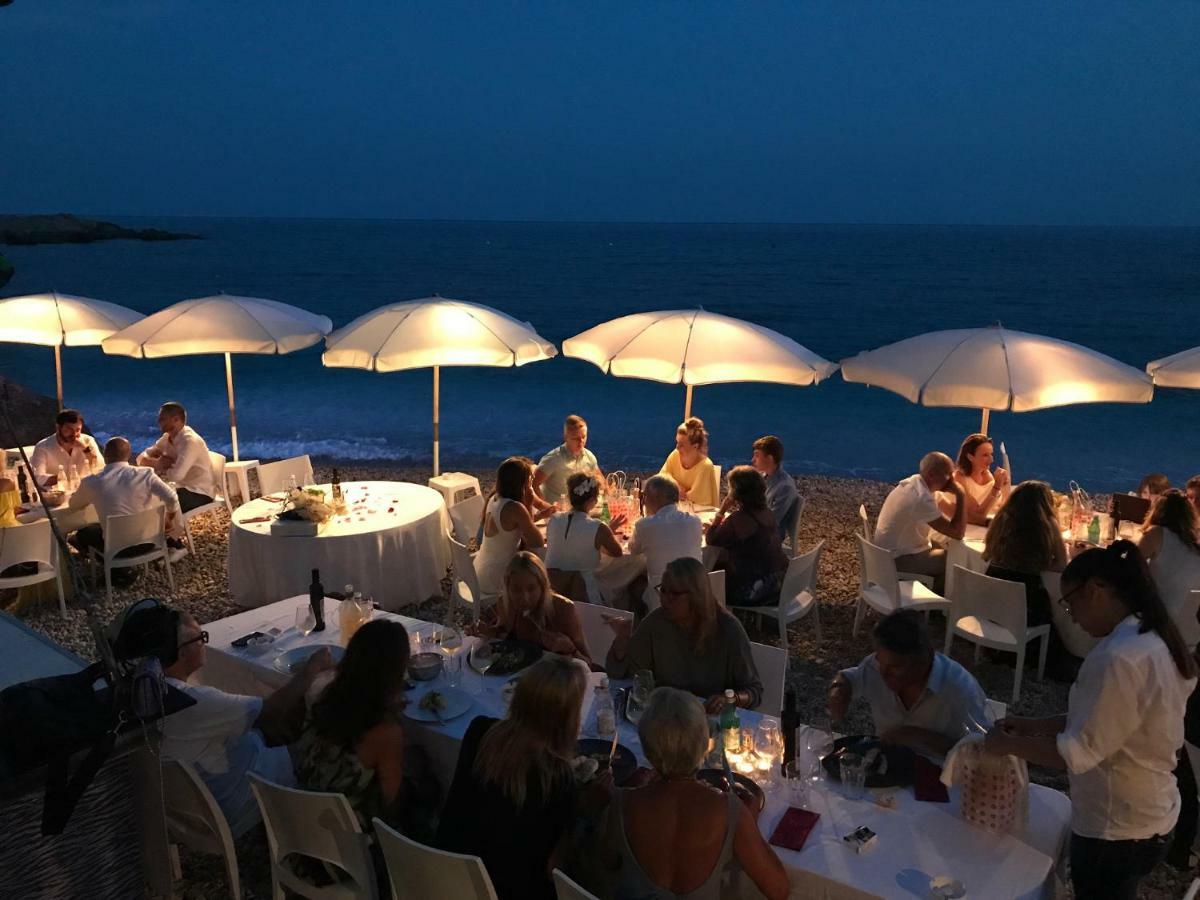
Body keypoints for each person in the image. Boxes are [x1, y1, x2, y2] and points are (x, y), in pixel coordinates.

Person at [984, 542, 1197, 900]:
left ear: (1096, 590)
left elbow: (1078, 753)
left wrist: (1007, 745)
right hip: (1153, 813)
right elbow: (1107, 719)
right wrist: (1031, 725)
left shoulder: (1119, 657)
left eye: (1069, 603)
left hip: (1117, 826)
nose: (1070, 616)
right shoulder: (1153, 636)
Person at [116, 602, 332, 836]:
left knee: (275, 722)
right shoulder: (192, 701)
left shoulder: (143, 691)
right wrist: (312, 667)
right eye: (201, 638)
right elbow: (273, 709)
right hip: (236, 806)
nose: (204, 644)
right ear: (182, 652)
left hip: (190, 806)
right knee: (310, 728)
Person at [602, 687, 790, 900]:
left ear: (647, 749)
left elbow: (609, 862)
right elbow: (779, 890)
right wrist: (749, 822)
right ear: (704, 745)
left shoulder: (622, 803)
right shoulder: (728, 811)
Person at [437, 655, 587, 900]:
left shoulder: (479, 731)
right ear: (569, 718)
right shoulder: (558, 779)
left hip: (448, 880)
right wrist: (585, 813)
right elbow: (555, 868)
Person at [295, 619, 413, 831]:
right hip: (351, 846)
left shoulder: (325, 699)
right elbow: (391, 804)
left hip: (304, 826)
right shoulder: (385, 732)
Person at [607, 557, 762, 712]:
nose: (664, 599)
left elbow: (753, 691)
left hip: (709, 719)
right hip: (666, 714)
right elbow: (625, 677)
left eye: (674, 594)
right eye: (663, 590)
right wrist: (622, 642)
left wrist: (730, 699)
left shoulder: (728, 629)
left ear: (696, 596)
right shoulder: (656, 623)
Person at [829, 609, 987, 758]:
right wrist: (839, 690)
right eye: (880, 663)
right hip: (886, 766)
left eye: (895, 667)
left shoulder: (960, 689)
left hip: (942, 775)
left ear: (925, 659)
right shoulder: (876, 667)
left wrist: (920, 736)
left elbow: (981, 753)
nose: (883, 673)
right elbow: (848, 677)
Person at [982, 481, 1070, 670]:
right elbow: (1062, 564)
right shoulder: (1047, 523)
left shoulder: (1002, 518)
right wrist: (1037, 562)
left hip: (992, 603)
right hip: (1025, 605)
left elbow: (988, 551)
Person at [68, 437, 181, 557]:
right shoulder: (145, 474)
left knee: (83, 533)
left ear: (105, 455)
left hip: (117, 551)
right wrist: (169, 519)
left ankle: (117, 569)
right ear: (128, 455)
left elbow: (73, 505)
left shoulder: (92, 482)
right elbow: (172, 498)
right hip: (150, 542)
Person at [873, 451, 966, 594]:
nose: (951, 480)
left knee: (943, 544)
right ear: (931, 474)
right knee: (956, 559)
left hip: (886, 553)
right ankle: (937, 607)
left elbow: (948, 514)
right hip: (897, 561)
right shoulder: (920, 498)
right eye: (948, 474)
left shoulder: (915, 482)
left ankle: (935, 594)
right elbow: (958, 533)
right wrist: (961, 495)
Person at [474, 551, 591, 664]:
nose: (524, 597)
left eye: (531, 589)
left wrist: (569, 648)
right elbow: (499, 632)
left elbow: (587, 663)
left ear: (542, 586)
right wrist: (486, 631)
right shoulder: (506, 604)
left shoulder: (563, 610)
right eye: (516, 590)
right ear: (507, 588)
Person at [707, 466, 788, 607]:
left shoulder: (739, 519)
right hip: (779, 584)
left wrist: (722, 511)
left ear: (736, 493)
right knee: (723, 559)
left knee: (707, 574)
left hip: (753, 592)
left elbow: (712, 539)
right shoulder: (767, 513)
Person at [544, 472, 626, 603]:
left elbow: (571, 542)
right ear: (591, 501)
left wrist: (605, 532)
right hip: (582, 593)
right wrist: (607, 532)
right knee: (621, 578)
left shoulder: (554, 519)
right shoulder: (598, 527)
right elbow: (617, 552)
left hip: (552, 589)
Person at [627, 475, 702, 608]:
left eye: (645, 496)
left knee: (630, 586)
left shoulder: (645, 525)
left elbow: (633, 550)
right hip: (695, 592)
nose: (643, 501)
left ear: (656, 498)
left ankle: (644, 625)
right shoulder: (694, 521)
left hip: (662, 595)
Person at [1137, 490, 1200, 650]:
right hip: (1188, 635)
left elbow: (1130, 566)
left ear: (1158, 511)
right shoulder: (1194, 548)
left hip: (1157, 627)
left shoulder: (1156, 534)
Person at [475, 457, 545, 597]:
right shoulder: (515, 508)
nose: (531, 484)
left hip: (479, 569)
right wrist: (529, 504)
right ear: (521, 483)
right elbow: (537, 542)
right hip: (495, 577)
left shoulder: (495, 497)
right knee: (540, 569)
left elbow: (515, 526)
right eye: (530, 480)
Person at [136, 402, 216, 512]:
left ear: (176, 420)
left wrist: (158, 466)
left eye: (162, 419)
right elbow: (140, 458)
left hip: (198, 492)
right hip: (179, 486)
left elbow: (176, 476)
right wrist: (158, 463)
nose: (158, 422)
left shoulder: (189, 441)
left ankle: (161, 528)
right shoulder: (167, 438)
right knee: (143, 497)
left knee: (152, 504)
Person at [534, 414, 604, 507]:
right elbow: (532, 485)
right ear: (566, 437)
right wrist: (544, 507)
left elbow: (600, 481)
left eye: (584, 436)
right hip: (557, 514)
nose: (581, 441)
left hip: (580, 511)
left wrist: (607, 489)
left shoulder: (589, 457)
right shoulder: (553, 459)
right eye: (576, 438)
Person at [29, 408, 101, 487]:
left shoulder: (88, 441)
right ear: (58, 428)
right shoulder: (43, 447)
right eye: (69, 430)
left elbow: (100, 469)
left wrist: (86, 449)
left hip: (84, 493)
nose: (74, 435)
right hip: (56, 496)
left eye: (78, 430)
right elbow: (37, 478)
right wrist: (67, 478)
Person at [951, 433, 1010, 526]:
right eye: (985, 455)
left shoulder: (988, 477)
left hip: (984, 529)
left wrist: (1005, 486)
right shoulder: (959, 478)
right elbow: (976, 516)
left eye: (991, 454)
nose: (991, 460)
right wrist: (996, 487)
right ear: (970, 457)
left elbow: (1003, 507)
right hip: (966, 530)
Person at [659, 417, 717, 508]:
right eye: (677, 442)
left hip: (699, 515)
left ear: (695, 446)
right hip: (678, 510)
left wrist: (673, 489)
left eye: (682, 445)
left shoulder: (705, 466)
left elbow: (696, 500)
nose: (677, 447)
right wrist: (677, 486)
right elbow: (661, 477)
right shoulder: (675, 455)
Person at [751, 435, 798, 540]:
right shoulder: (764, 477)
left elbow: (771, 522)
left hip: (768, 539)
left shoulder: (785, 487)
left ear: (770, 458)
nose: (753, 460)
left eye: (757, 455)